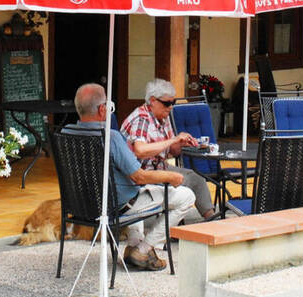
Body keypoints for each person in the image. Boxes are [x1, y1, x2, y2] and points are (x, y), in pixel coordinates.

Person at [62, 83, 195, 272]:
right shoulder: (111, 137)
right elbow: (139, 177)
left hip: (81, 206)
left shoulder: (66, 133)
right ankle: (143, 249)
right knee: (186, 196)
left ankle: (133, 246)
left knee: (135, 191)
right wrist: (170, 176)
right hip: (115, 207)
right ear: (102, 109)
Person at [120, 79, 219, 222]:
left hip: (159, 167)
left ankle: (211, 220)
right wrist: (173, 140)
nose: (171, 107)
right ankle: (169, 227)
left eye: (173, 103)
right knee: (183, 188)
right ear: (153, 101)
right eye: (167, 103)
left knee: (196, 179)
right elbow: (140, 151)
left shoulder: (162, 117)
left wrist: (181, 143)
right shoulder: (142, 119)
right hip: (140, 174)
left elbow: (172, 151)